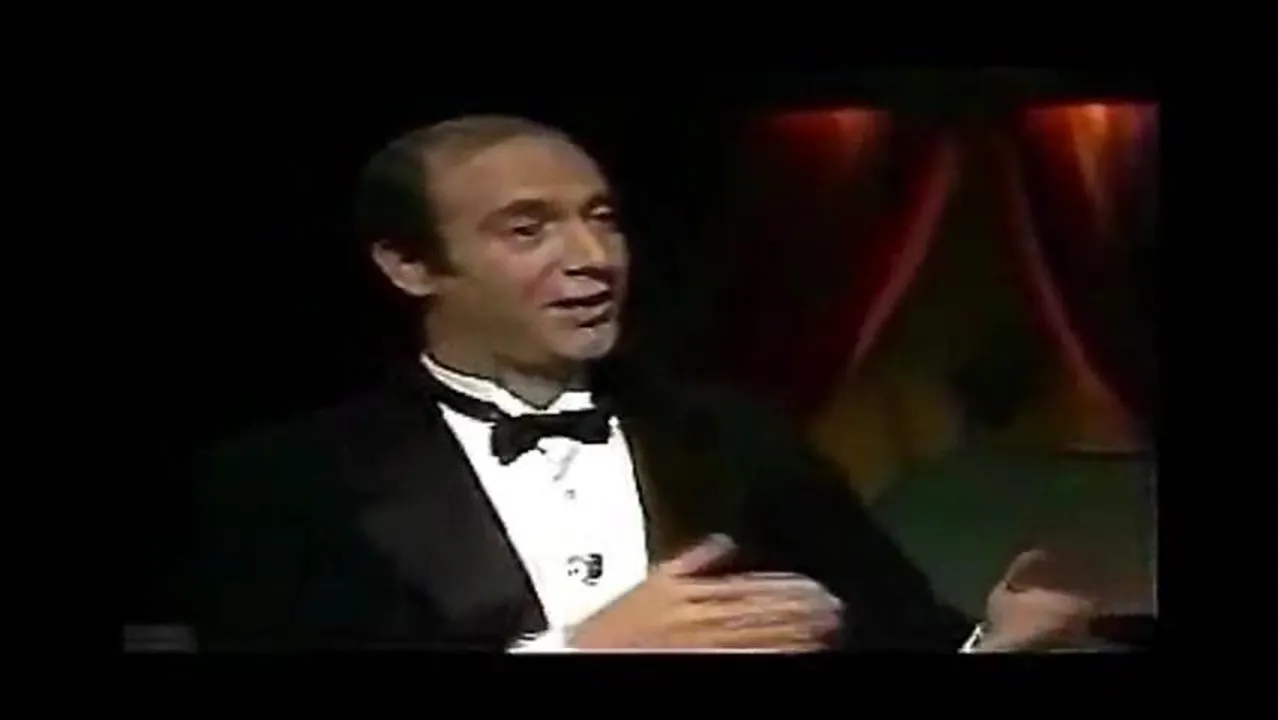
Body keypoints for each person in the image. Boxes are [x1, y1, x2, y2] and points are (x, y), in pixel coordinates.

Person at [189, 115, 1095, 652]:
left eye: (603, 218)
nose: (593, 257)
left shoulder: (739, 438)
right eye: (528, 230)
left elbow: (897, 631)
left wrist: (995, 642)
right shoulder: (289, 481)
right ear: (410, 265)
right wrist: (579, 652)